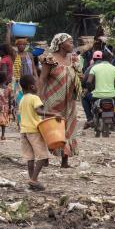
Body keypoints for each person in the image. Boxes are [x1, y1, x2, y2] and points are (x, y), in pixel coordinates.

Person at [38, 34, 81, 168]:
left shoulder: (73, 59)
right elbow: (42, 79)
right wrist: (39, 99)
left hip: (70, 101)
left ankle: (65, 160)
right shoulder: (50, 59)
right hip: (53, 100)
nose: (72, 44)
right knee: (52, 128)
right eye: (70, 42)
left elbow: (78, 76)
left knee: (68, 128)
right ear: (61, 44)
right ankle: (45, 158)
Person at [19, 74, 59, 191]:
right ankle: (34, 179)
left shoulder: (22, 99)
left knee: (30, 158)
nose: (37, 87)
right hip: (34, 131)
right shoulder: (34, 98)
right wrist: (53, 114)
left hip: (24, 131)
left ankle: (32, 180)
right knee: (42, 156)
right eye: (36, 84)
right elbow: (39, 111)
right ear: (32, 87)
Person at [85, 51, 115, 128]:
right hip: (112, 95)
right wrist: (114, 90)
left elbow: (88, 82)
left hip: (96, 95)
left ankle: (90, 119)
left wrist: (90, 90)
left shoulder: (94, 68)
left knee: (84, 97)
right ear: (110, 59)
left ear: (101, 58)